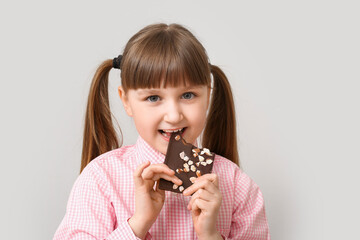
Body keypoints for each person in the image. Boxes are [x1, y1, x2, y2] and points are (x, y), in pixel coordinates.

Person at [54, 23, 270, 240]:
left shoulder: (238, 186)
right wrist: (138, 223)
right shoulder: (100, 178)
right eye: (153, 98)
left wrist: (211, 236)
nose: (174, 115)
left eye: (188, 95)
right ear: (126, 100)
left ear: (208, 97)